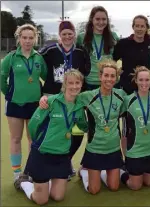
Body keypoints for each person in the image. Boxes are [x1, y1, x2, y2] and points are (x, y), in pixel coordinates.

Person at [39, 59, 126, 195]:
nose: (109, 79)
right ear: (100, 76)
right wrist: (46, 99)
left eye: (112, 76)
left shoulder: (121, 96)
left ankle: (101, 173)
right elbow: (68, 96)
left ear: (116, 78)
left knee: (114, 187)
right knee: (94, 190)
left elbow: (135, 102)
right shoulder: (87, 96)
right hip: (95, 148)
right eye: (106, 75)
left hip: (114, 148)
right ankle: (85, 172)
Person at [15, 69, 87, 205]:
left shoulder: (79, 106)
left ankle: (43, 183)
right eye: (70, 83)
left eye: (77, 83)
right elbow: (33, 126)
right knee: (41, 200)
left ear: (81, 84)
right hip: (43, 153)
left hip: (62, 155)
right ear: (64, 84)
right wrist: (41, 142)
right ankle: (24, 182)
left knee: (58, 196)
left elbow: (83, 126)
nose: (74, 86)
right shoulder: (51, 102)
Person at [39, 20, 91, 177]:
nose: (67, 36)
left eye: (70, 33)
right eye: (64, 34)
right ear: (59, 35)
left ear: (74, 34)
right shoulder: (49, 50)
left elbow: (86, 73)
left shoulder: (81, 52)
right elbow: (40, 68)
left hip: (74, 99)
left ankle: (67, 160)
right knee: (55, 131)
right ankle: (52, 164)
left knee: (77, 132)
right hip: (54, 98)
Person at [0, 24, 47, 186]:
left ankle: (30, 170)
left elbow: (46, 76)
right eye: (24, 37)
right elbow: (2, 78)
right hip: (15, 104)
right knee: (15, 138)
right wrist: (10, 93)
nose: (27, 41)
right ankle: (17, 173)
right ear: (19, 38)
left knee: (32, 139)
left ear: (35, 39)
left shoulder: (39, 58)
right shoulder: (11, 57)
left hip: (34, 105)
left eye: (30, 37)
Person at [119, 66, 150, 191]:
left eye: (147, 80)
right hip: (135, 151)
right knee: (135, 186)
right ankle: (122, 172)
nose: (144, 83)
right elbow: (124, 132)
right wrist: (126, 156)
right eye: (141, 80)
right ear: (136, 81)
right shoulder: (128, 100)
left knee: (149, 183)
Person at [77, 6, 119, 90]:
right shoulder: (82, 37)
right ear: (91, 20)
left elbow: (122, 54)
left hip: (110, 81)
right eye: (97, 19)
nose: (101, 22)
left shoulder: (113, 36)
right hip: (90, 82)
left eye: (104, 19)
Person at [113, 15, 150, 94]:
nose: (139, 29)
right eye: (137, 26)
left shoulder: (149, 44)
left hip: (144, 86)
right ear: (133, 27)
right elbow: (112, 60)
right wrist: (117, 71)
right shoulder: (123, 43)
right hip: (127, 87)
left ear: (146, 28)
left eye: (142, 26)